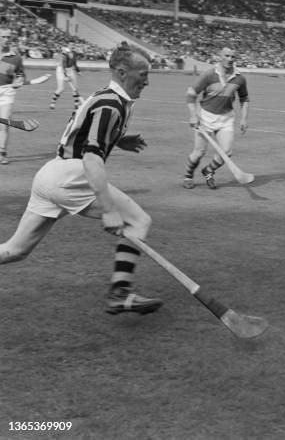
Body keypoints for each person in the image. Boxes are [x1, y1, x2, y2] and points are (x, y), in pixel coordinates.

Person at [0, 43, 163, 315]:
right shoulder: (111, 104)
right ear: (123, 72)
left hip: (50, 174)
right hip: (72, 176)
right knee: (138, 220)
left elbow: (82, 131)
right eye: (143, 74)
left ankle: (120, 294)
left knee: (16, 250)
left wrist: (119, 140)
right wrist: (109, 210)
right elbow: (91, 157)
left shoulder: (107, 97)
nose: (147, 81)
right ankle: (119, 293)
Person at [183, 47, 249, 189]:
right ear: (220, 56)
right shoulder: (209, 74)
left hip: (226, 118)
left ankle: (209, 170)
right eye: (227, 56)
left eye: (233, 57)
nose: (230, 59)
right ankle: (188, 175)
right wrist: (193, 116)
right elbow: (191, 93)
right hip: (205, 117)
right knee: (199, 152)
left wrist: (244, 118)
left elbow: (244, 99)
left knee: (226, 152)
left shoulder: (240, 78)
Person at [0, 41, 26, 165]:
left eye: (8, 37)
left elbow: (21, 75)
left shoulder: (16, 57)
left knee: (3, 124)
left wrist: (19, 81)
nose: (5, 39)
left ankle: (2, 154)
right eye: (3, 36)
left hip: (7, 92)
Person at [49, 44, 82, 110]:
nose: (73, 47)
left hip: (70, 70)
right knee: (61, 88)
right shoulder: (64, 55)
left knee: (75, 88)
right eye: (71, 46)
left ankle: (76, 105)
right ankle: (52, 102)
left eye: (73, 46)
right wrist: (65, 76)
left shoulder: (74, 53)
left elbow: (74, 63)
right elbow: (63, 65)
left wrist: (78, 71)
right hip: (61, 70)